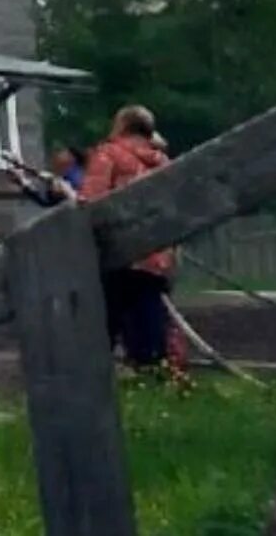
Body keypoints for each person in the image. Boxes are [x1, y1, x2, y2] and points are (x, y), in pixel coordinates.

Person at [79, 104, 175, 369]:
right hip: (155, 258)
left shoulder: (108, 155)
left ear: (121, 125)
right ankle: (154, 377)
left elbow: (92, 201)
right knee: (149, 325)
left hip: (117, 257)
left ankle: (94, 381)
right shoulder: (163, 162)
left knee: (104, 327)